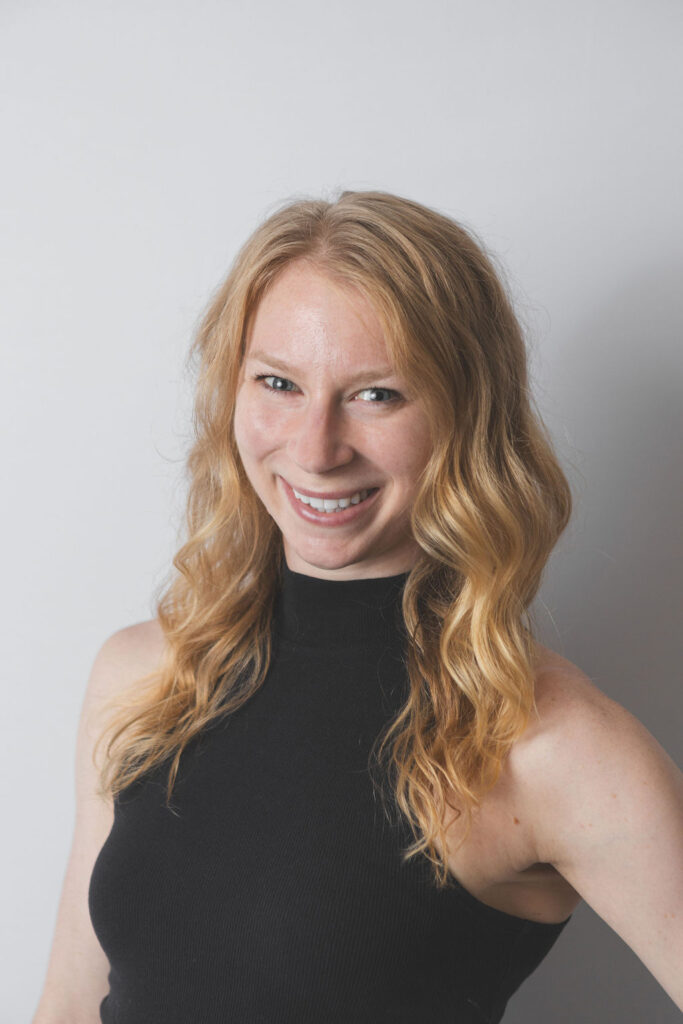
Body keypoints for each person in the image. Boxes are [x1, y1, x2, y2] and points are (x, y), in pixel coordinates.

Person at [33, 190, 682, 1023]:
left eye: (376, 395)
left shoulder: (548, 746)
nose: (315, 449)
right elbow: (67, 1006)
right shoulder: (147, 677)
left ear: (466, 413)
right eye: (278, 383)